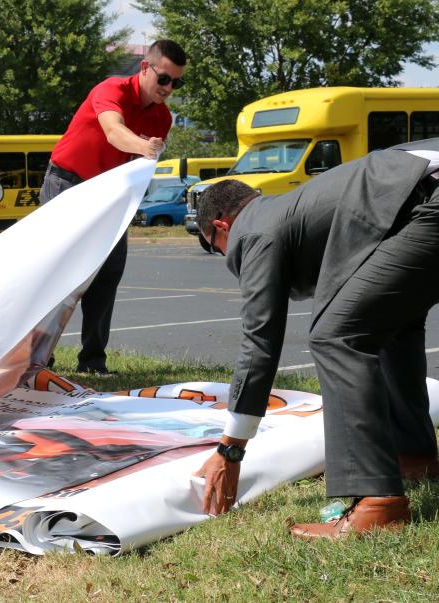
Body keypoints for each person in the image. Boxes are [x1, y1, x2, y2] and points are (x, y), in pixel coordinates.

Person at [193, 138, 439, 539]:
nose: (226, 258)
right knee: (392, 325)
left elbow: (259, 341)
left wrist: (230, 449)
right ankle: (414, 456)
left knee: (334, 336)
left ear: (221, 225)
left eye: (216, 248)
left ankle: (378, 503)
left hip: (428, 201)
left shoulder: (252, 232)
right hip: (421, 193)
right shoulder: (287, 209)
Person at [39, 39, 187, 373]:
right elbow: (113, 131)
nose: (169, 87)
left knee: (108, 273)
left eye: (177, 82)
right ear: (145, 68)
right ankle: (38, 358)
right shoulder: (111, 89)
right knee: (57, 274)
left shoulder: (162, 118)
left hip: (110, 193)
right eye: (164, 78)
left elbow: (135, 167)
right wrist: (145, 147)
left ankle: (92, 361)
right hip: (67, 184)